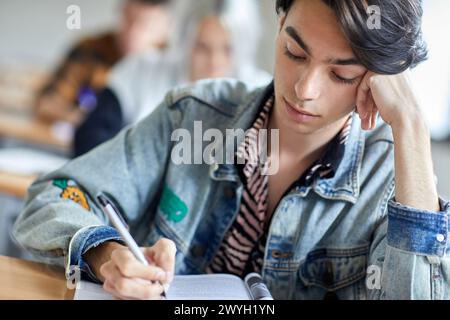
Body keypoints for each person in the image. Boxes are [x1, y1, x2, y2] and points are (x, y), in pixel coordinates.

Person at [13, 0, 450, 300]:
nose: (304, 89)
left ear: (380, 81)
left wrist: (411, 127)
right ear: (279, 26)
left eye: (341, 75)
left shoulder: (392, 175)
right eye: (294, 52)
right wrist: (104, 253)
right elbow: (54, 195)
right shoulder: (193, 115)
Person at [73, 0, 271, 157]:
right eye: (203, 47)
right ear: (187, 42)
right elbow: (91, 138)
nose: (214, 61)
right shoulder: (141, 69)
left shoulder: (261, 92)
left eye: (228, 49)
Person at [34, 0, 173, 126]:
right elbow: (47, 103)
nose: (133, 32)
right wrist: (95, 121)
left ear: (164, 30)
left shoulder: (172, 67)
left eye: (144, 25)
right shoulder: (90, 49)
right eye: (128, 20)